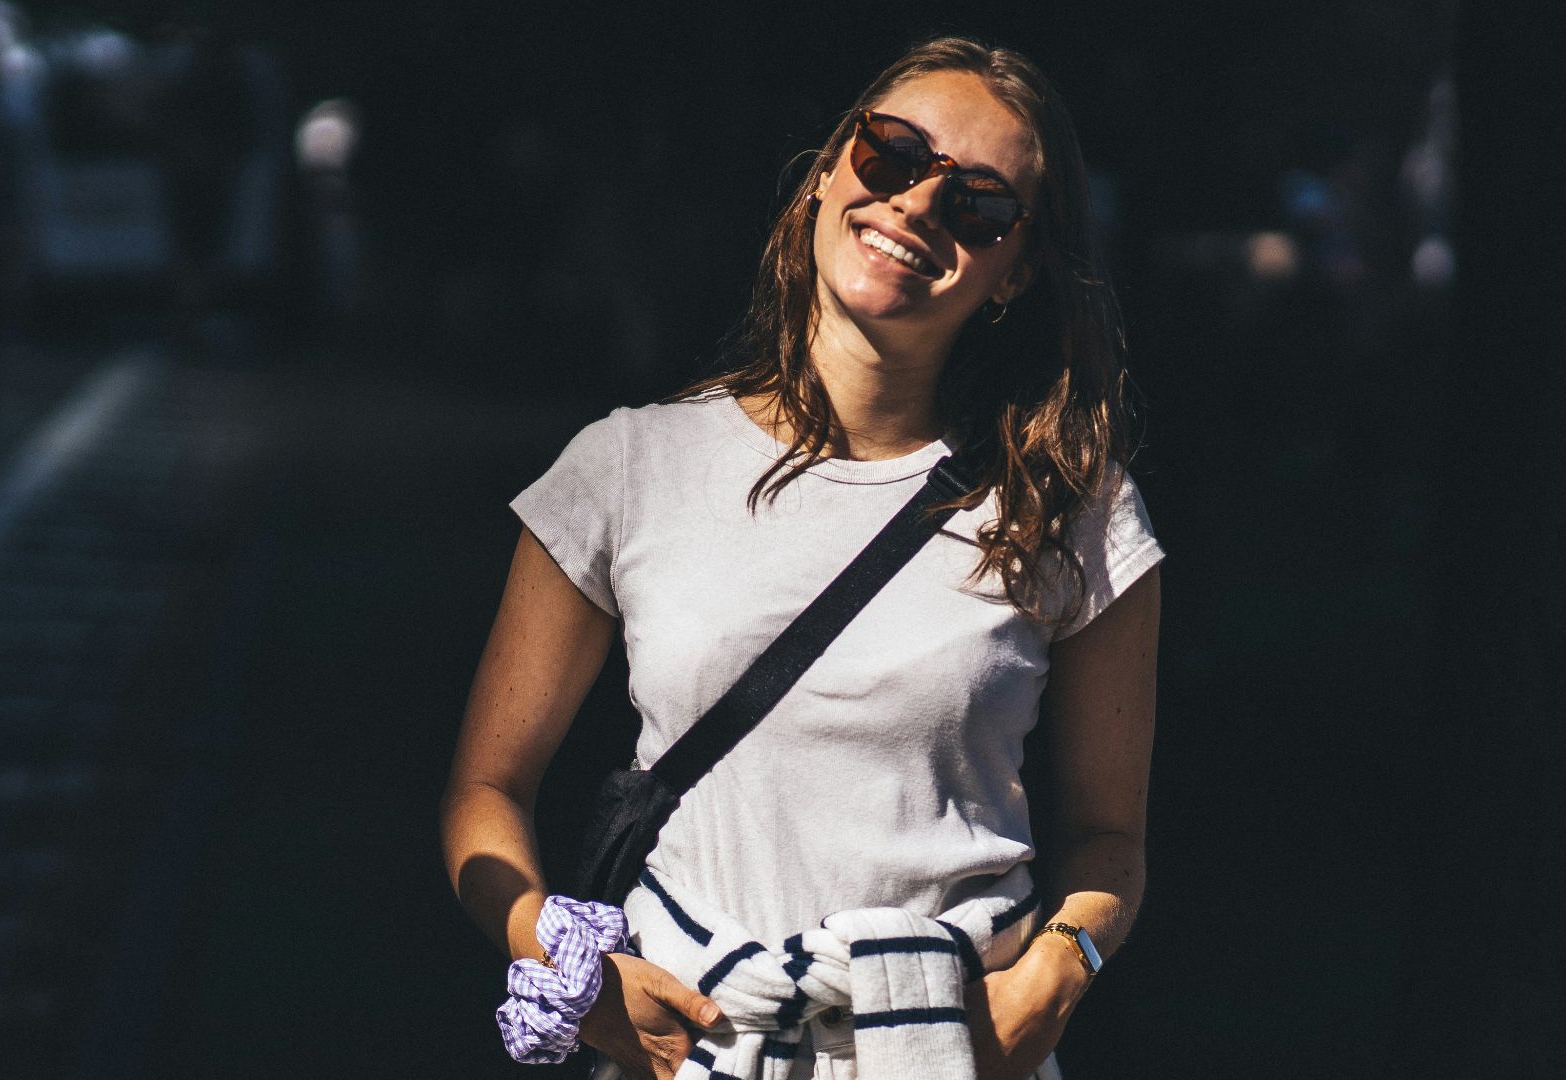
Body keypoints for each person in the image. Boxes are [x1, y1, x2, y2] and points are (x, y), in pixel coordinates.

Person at [441, 36, 1163, 1080]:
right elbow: (485, 791)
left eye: (980, 205)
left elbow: (1111, 838)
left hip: (954, 1052)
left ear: (1016, 269)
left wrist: (1060, 971)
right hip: (700, 1046)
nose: (916, 206)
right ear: (830, 170)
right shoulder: (628, 467)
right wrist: (567, 962)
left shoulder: (1075, 503)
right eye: (891, 154)